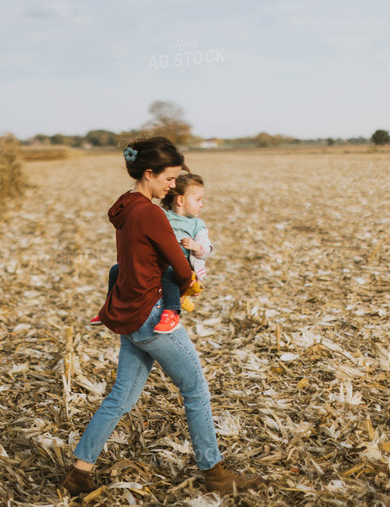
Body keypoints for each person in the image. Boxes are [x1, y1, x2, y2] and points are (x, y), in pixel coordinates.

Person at [61, 137, 263, 496]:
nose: (173, 187)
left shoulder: (124, 205)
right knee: (196, 390)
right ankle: (214, 474)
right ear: (149, 173)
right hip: (153, 314)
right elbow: (180, 265)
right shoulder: (151, 213)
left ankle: (80, 472)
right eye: (168, 179)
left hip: (130, 310)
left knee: (121, 397)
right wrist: (192, 278)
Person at [90, 173, 213, 333]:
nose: (202, 204)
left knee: (169, 274)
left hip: (179, 270)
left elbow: (206, 249)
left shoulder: (197, 225)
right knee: (116, 270)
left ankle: (171, 312)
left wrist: (196, 247)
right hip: (156, 265)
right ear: (181, 200)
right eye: (198, 200)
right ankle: (108, 309)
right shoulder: (160, 215)